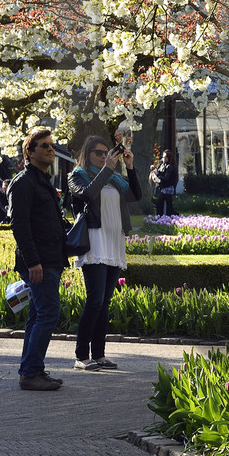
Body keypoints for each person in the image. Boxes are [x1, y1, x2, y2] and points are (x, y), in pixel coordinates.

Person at [69, 136, 141, 372]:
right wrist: (107, 169)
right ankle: (81, 355)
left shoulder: (115, 178)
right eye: (98, 153)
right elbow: (87, 195)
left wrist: (129, 167)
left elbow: (135, 196)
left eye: (105, 153)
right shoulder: (78, 175)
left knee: (105, 303)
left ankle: (98, 355)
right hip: (95, 242)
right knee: (95, 300)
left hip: (114, 239)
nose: (103, 156)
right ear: (87, 154)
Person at [10, 128, 66, 391]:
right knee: (48, 313)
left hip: (52, 260)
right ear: (29, 152)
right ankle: (32, 373)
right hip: (39, 262)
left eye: (52, 146)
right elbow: (19, 226)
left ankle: (30, 370)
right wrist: (33, 262)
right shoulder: (23, 183)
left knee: (37, 315)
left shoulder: (44, 181)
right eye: (44, 146)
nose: (50, 149)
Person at [151, 148, 178, 217]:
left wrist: (158, 177)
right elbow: (159, 171)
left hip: (168, 188)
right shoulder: (163, 165)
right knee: (167, 204)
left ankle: (163, 216)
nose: (163, 159)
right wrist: (154, 170)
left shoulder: (170, 167)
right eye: (163, 157)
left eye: (165, 157)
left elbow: (166, 178)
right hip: (163, 187)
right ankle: (170, 216)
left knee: (161, 203)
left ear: (168, 158)